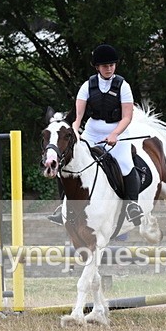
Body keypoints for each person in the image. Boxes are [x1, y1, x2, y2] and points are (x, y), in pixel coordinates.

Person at [48, 44, 143, 226]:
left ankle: (132, 204)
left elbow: (127, 116)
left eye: (111, 65)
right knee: (68, 165)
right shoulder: (87, 86)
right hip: (92, 131)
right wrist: (74, 131)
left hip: (118, 129)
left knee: (125, 164)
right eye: (105, 65)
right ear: (97, 67)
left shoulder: (123, 86)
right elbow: (78, 116)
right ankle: (63, 207)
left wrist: (115, 134)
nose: (109, 68)